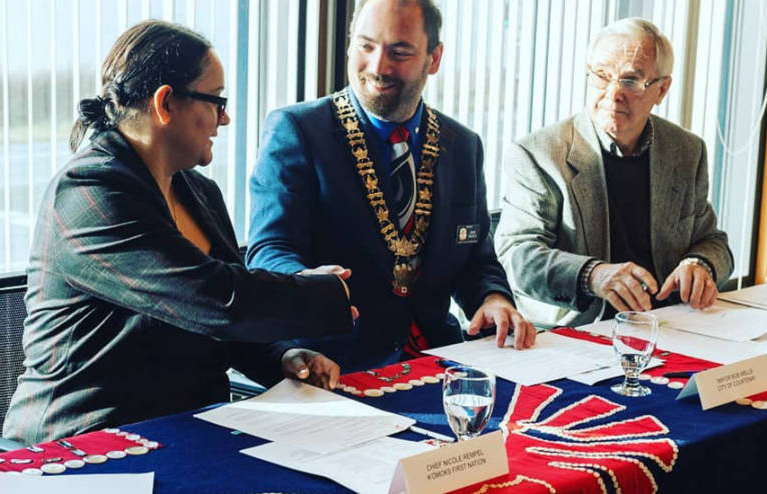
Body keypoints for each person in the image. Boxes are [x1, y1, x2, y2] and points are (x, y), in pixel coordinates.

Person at [3, 20, 355, 444]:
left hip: (187, 432)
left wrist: (282, 355)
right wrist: (319, 292)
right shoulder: (89, 192)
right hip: (82, 445)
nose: (224, 119)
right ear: (166, 103)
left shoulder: (199, 192)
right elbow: (215, 299)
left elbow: (218, 323)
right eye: (216, 101)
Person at [247, 0, 536, 374]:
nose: (378, 67)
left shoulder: (462, 145)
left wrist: (493, 298)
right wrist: (304, 283)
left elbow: (475, 259)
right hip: (333, 366)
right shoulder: (298, 130)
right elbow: (270, 249)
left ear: (434, 59)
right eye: (366, 46)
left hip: (440, 362)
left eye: (399, 52)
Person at [495, 18, 733, 327]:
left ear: (662, 89)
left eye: (631, 80)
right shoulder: (539, 153)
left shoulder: (686, 151)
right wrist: (592, 275)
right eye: (602, 76)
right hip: (579, 330)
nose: (613, 93)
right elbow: (518, 256)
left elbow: (713, 240)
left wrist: (700, 264)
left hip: (669, 325)